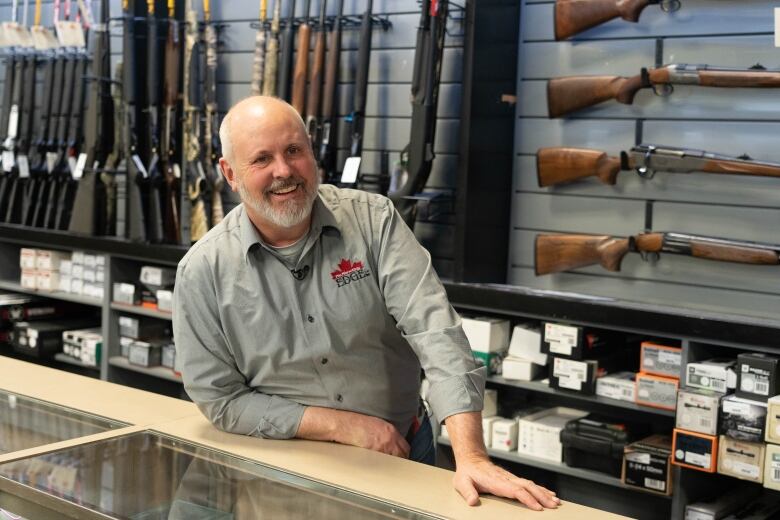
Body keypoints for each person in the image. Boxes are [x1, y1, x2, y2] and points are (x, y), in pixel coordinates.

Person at [172, 96, 560, 511]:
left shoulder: (374, 221)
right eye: (261, 159)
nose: (283, 171)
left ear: (312, 151)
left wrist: (472, 457)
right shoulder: (202, 271)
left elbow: (436, 332)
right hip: (282, 470)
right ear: (229, 173)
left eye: (294, 151)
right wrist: (341, 427)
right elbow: (220, 399)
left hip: (404, 454)